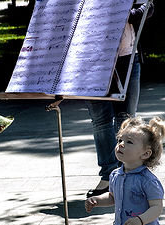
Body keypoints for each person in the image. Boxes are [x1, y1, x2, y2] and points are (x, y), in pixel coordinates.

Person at [85, 1, 155, 198]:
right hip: (90, 59)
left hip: (127, 58)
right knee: (100, 120)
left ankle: (128, 175)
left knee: (126, 119)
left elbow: (147, 7)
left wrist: (121, 12)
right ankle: (109, 176)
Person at [85, 117, 164, 225]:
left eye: (129, 142)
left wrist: (140, 220)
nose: (121, 144)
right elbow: (112, 197)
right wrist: (97, 200)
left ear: (145, 153)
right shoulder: (115, 174)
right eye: (120, 140)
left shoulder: (148, 180)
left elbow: (156, 207)